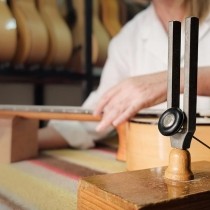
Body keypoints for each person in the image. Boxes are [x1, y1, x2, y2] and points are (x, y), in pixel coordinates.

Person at [38, 0, 210, 150]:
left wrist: (175, 80)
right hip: (153, 163)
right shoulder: (127, 38)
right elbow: (98, 115)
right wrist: (28, 139)